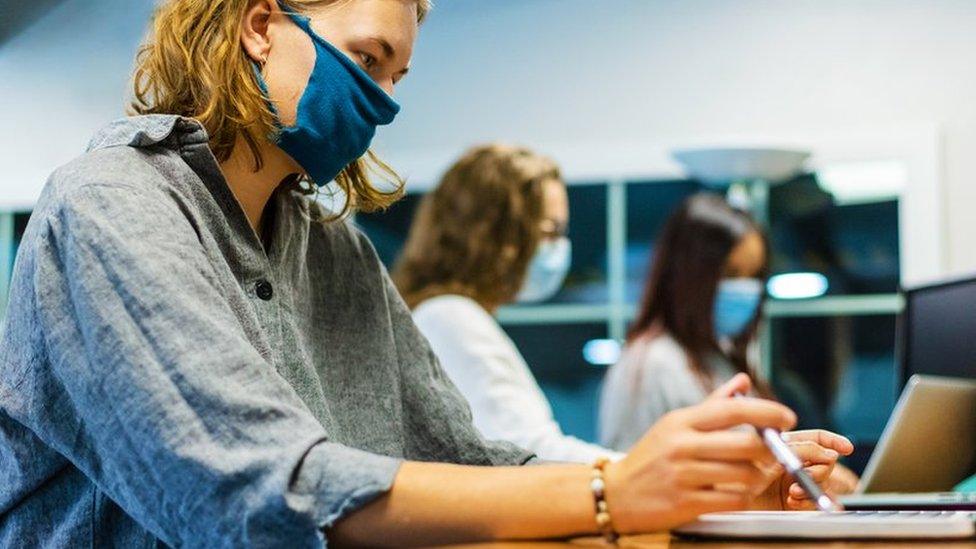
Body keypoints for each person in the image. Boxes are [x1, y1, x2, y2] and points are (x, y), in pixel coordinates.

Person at [0, 1, 851, 546]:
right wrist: (611, 489)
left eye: (395, 76)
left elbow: (470, 460)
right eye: (366, 60)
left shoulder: (332, 248)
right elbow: (256, 499)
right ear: (260, 24)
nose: (381, 102)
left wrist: (703, 488)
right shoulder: (111, 205)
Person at [598, 193, 859, 492]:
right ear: (688, 274)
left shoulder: (718, 358)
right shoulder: (650, 364)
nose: (744, 289)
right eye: (731, 274)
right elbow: (634, 484)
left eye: (753, 275)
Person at [393, 144, 624, 463]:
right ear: (499, 237)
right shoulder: (449, 317)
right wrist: (636, 471)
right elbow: (525, 453)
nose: (559, 247)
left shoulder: (450, 314)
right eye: (549, 231)